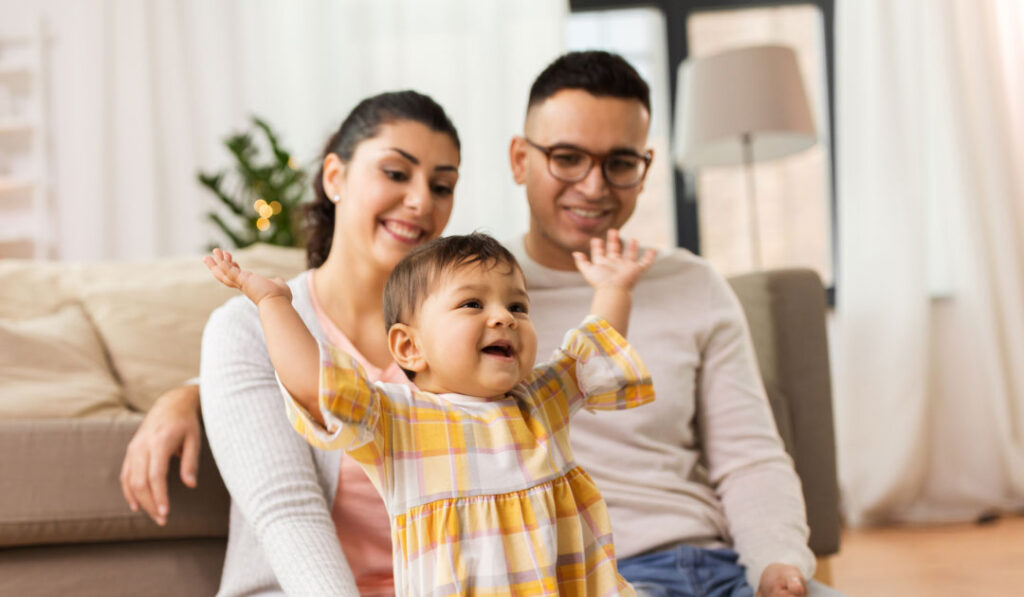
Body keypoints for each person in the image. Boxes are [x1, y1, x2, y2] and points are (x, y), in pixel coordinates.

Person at [123, 53, 844, 597]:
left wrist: (780, 561)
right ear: (520, 161)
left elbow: (601, 356)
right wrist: (193, 391)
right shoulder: (459, 300)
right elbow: (306, 415)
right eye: (567, 158)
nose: (420, 202)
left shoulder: (510, 304)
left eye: (442, 184)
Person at [203, 231, 656, 595]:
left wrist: (614, 287)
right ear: (409, 347)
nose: (505, 318)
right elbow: (317, 385)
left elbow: (593, 351)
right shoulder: (399, 422)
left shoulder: (539, 399)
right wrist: (273, 303)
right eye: (472, 304)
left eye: (517, 305)